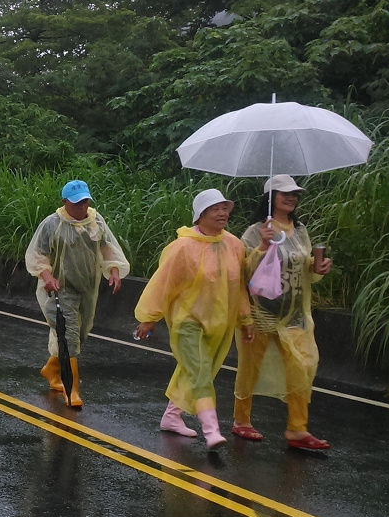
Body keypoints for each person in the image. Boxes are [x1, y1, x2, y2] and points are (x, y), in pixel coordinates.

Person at [134, 189, 255, 449]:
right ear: (200, 215)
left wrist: (246, 320)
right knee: (199, 372)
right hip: (187, 321)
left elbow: (240, 286)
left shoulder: (234, 245)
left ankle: (172, 416)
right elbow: (163, 284)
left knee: (197, 370)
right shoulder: (182, 247)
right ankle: (211, 430)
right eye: (215, 209)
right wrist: (149, 317)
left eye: (225, 207)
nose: (222, 213)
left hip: (219, 322)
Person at [231, 175, 333, 451]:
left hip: (295, 314)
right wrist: (263, 247)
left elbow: (304, 267)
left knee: (303, 366)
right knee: (250, 368)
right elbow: (242, 271)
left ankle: (298, 429)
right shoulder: (255, 231)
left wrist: (317, 267)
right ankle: (242, 420)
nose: (291, 198)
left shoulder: (300, 230)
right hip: (262, 311)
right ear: (270, 197)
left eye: (295, 194)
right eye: (284, 193)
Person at [24, 180, 129, 408]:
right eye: (77, 203)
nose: (82, 207)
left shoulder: (96, 221)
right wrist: (47, 276)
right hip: (60, 290)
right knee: (69, 337)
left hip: (87, 288)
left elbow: (108, 247)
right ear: (64, 203)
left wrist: (114, 271)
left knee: (79, 335)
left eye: (85, 201)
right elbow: (37, 254)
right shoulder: (52, 224)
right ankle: (71, 390)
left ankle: (51, 369)